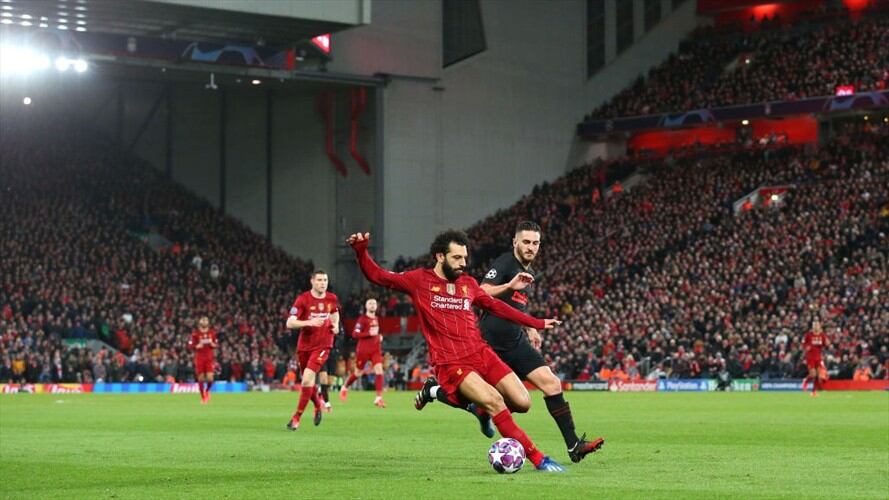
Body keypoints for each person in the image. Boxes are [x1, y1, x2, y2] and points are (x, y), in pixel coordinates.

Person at [348, 229, 567, 472]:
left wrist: (535, 323)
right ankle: (539, 459)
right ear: (440, 256)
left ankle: (454, 399)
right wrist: (361, 251)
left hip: (481, 353)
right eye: (457, 258)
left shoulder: (469, 284)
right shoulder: (419, 280)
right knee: (496, 401)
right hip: (451, 361)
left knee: (523, 401)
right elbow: (377, 275)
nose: (463, 264)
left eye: (465, 258)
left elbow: (497, 307)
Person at [416, 221, 604, 463]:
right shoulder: (505, 263)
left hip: (515, 340)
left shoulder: (530, 271)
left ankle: (573, 445)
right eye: (526, 242)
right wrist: (509, 285)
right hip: (489, 342)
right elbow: (482, 291)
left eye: (535, 243)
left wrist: (529, 328)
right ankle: (433, 391)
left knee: (551, 383)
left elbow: (515, 304)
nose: (531, 247)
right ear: (515, 242)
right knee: (466, 397)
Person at [285, 270, 340, 430]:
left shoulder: (332, 298)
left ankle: (296, 418)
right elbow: (290, 323)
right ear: (312, 281)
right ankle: (317, 405)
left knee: (307, 380)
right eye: (320, 280)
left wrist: (335, 325)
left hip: (323, 345)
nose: (323, 283)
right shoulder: (303, 299)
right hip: (304, 346)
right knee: (307, 383)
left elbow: (335, 313)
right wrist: (308, 322)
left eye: (325, 280)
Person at [340, 298, 386, 408]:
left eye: (374, 303)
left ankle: (378, 398)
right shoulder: (362, 319)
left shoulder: (376, 318)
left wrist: (378, 337)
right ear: (366, 306)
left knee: (379, 371)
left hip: (375, 350)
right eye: (370, 303)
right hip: (363, 350)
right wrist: (368, 333)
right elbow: (355, 334)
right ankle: (345, 387)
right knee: (358, 373)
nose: (373, 305)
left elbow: (374, 333)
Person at [187, 316, 217, 404]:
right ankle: (203, 397)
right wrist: (196, 346)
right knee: (201, 378)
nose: (204, 321)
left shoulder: (212, 333)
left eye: (206, 320)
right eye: (203, 320)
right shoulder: (195, 334)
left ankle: (207, 391)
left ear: (208, 322)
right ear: (199, 322)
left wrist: (212, 344)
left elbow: (216, 344)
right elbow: (190, 345)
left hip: (209, 358)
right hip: (199, 358)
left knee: (210, 378)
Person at [801, 319, 829, 396]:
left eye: (817, 325)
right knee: (813, 374)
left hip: (818, 357)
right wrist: (806, 347)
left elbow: (826, 345)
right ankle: (805, 381)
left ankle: (813, 392)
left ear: (820, 326)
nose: (816, 327)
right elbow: (803, 343)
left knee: (818, 375)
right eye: (814, 325)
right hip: (810, 357)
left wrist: (827, 343)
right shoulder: (808, 335)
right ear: (812, 327)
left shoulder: (822, 335)